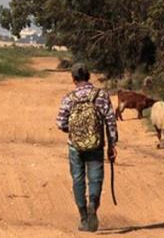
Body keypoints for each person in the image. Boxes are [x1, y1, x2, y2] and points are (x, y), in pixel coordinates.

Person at [56, 63, 118, 232]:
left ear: (73, 79)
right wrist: (112, 144)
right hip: (96, 145)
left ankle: (84, 217)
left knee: (78, 179)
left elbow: (60, 123)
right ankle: (93, 204)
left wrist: (75, 130)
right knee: (95, 178)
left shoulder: (69, 98)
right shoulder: (101, 95)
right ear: (89, 76)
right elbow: (110, 121)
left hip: (75, 146)